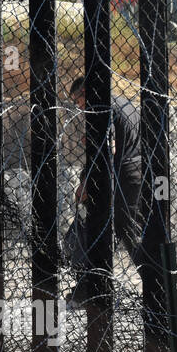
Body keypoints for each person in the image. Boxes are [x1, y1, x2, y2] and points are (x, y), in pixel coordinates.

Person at [66, 77, 148, 308]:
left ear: (85, 91)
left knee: (102, 228)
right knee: (126, 230)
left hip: (118, 175)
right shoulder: (124, 102)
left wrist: (86, 181)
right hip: (136, 171)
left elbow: (106, 149)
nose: (79, 106)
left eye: (78, 100)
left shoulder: (101, 108)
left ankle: (91, 289)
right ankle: (153, 285)